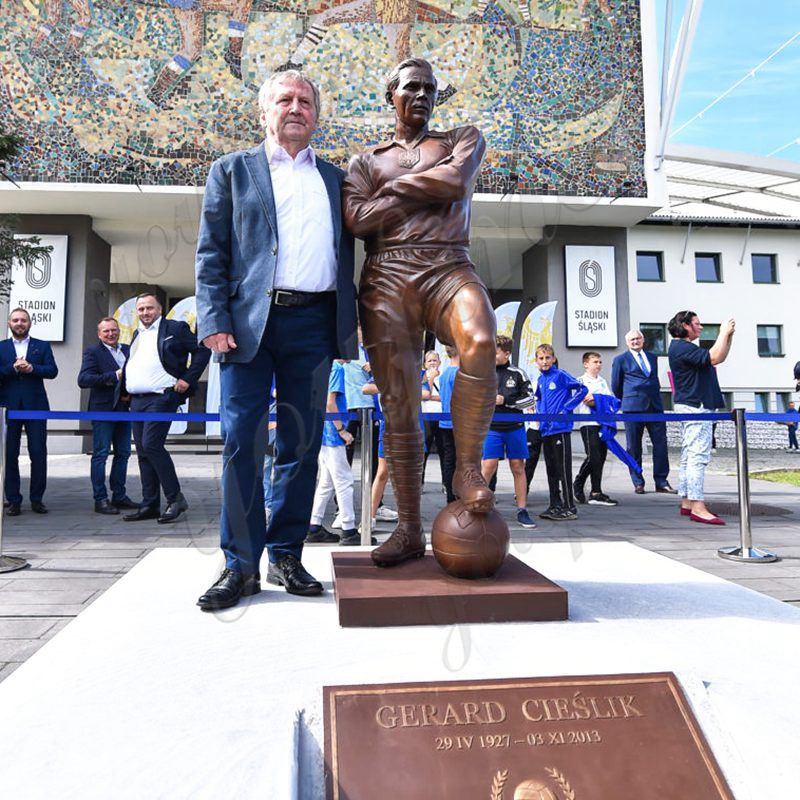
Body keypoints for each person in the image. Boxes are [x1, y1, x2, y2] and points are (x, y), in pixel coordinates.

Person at [195, 70, 357, 611]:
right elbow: (211, 253)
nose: (295, 107)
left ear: (317, 114)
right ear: (264, 112)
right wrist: (214, 318)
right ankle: (239, 567)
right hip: (245, 327)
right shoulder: (232, 171)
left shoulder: (337, 180)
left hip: (313, 325)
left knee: (301, 444)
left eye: (305, 100)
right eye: (284, 100)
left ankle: (286, 554)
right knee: (243, 443)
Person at [343, 57, 497, 567]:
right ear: (392, 94)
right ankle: (408, 529)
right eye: (412, 87)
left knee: (477, 339)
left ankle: (468, 468)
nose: (423, 95)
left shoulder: (461, 138)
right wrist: (421, 187)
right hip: (387, 274)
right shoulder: (365, 160)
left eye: (431, 88)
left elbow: (456, 182)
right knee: (399, 400)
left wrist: (394, 192)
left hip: (449, 264)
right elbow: (358, 221)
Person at [122, 293, 210, 525]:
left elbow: (202, 351)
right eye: (141, 309)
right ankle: (150, 503)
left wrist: (187, 379)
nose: (145, 313)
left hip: (162, 397)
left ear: (160, 309)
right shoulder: (137, 334)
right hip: (137, 400)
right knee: (142, 452)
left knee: (152, 445)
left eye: (149, 308)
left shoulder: (176, 328)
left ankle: (175, 498)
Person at [667, 311, 735, 525]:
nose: (701, 327)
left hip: (692, 404)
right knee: (698, 456)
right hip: (696, 406)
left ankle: (688, 501)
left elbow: (718, 358)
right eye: (697, 323)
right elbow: (714, 357)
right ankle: (697, 505)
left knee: (689, 455)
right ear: (685, 325)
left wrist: (728, 337)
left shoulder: (683, 348)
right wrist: (723, 332)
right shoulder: (682, 347)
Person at [0, 308, 58, 516]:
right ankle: (13, 500)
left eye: (23, 320)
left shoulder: (41, 346)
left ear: (30, 323)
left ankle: (37, 499)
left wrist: (32, 368)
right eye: (15, 320)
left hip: (36, 406)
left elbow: (52, 371)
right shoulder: (2, 348)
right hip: (8, 407)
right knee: (9, 455)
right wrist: (14, 368)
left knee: (38, 452)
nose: (19, 323)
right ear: (9, 323)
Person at [77, 317, 138, 514]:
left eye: (114, 330)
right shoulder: (93, 352)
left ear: (119, 330)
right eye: (106, 331)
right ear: (99, 334)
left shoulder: (129, 349)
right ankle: (100, 499)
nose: (111, 334)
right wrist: (114, 375)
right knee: (101, 454)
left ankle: (119, 496)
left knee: (124, 454)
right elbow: (84, 379)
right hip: (103, 410)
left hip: (125, 410)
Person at [481, 335, 537, 528]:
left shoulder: (518, 373)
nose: (491, 354)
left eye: (495, 351)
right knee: (488, 466)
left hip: (515, 428)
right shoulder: (483, 372)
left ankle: (522, 510)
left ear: (506, 353)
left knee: (517, 467)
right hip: (491, 428)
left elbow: (530, 400)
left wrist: (506, 401)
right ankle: (478, 508)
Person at [611, 329, 676, 495]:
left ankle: (661, 481)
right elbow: (616, 386)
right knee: (634, 446)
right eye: (632, 339)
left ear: (643, 340)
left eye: (638, 338)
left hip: (655, 406)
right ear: (627, 342)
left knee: (661, 445)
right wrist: (628, 399)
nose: (635, 341)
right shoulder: (620, 360)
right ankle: (638, 482)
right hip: (633, 407)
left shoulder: (652, 357)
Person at [306, 360, 358, 545]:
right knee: (344, 481)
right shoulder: (336, 368)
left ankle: (314, 524)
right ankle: (349, 529)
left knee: (326, 482)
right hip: (332, 433)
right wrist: (341, 430)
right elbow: (330, 402)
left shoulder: (324, 366)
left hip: (323, 431)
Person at [534, 344, 587, 521]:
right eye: (541, 358)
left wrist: (566, 409)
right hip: (546, 430)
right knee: (551, 469)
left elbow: (582, 389)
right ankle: (554, 504)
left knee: (563, 469)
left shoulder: (561, 375)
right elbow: (539, 398)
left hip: (561, 429)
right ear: (536, 362)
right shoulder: (541, 380)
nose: (544, 361)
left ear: (554, 359)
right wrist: (540, 417)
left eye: (548, 358)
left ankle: (569, 507)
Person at [573, 351, 617, 507]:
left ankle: (596, 492)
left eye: (600, 362)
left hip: (602, 423)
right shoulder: (581, 381)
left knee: (601, 458)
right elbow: (587, 401)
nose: (598, 364)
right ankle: (579, 481)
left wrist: (599, 399)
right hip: (588, 423)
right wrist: (600, 400)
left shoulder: (603, 381)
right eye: (595, 362)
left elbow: (610, 400)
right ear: (586, 364)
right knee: (593, 457)